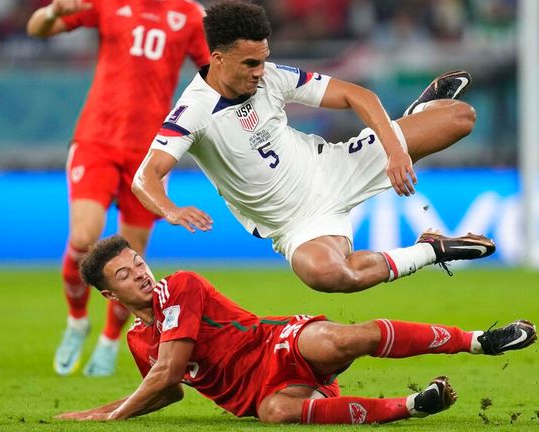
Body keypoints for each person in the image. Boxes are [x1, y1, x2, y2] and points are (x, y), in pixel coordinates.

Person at [132, 1, 494, 294]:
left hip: (336, 167)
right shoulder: (192, 112)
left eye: (263, 59)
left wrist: (396, 151)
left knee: (461, 117)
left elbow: (357, 95)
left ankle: (417, 114)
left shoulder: (272, 77)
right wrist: (170, 210)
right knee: (329, 276)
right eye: (250, 63)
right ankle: (430, 249)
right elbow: (145, 176)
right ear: (218, 58)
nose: (260, 71)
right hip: (298, 223)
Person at [56, 235, 537, 424]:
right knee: (276, 414)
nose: (140, 273)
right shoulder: (141, 340)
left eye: (137, 262)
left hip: (277, 345)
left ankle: (479, 341)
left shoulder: (179, 286)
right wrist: (101, 409)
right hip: (260, 395)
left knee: (342, 339)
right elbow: (168, 391)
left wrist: (106, 418)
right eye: (125, 275)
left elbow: (166, 374)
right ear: (110, 295)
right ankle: (412, 406)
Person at [26, 0, 211, 376]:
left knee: (132, 256)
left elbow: (212, 72)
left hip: (150, 152)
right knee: (84, 236)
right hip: (97, 139)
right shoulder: (108, 3)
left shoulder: (190, 15)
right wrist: (53, 11)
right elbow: (37, 29)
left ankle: (111, 340)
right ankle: (78, 321)